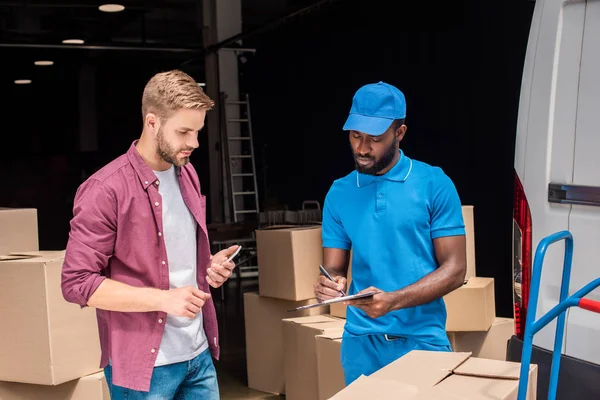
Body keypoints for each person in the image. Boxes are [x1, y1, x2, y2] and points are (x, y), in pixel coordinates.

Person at [61, 69, 239, 399]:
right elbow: (76, 282)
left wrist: (209, 269)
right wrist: (163, 299)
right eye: (184, 131)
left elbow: (176, 262)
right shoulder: (105, 189)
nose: (194, 143)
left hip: (197, 356)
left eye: (197, 131)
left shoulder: (187, 174)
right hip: (144, 369)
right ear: (152, 122)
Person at [314, 81, 467, 385]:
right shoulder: (339, 192)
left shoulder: (433, 183)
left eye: (375, 138)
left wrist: (393, 300)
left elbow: (455, 269)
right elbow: (333, 268)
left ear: (400, 133)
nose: (361, 147)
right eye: (355, 135)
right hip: (360, 342)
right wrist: (328, 284)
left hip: (422, 340)